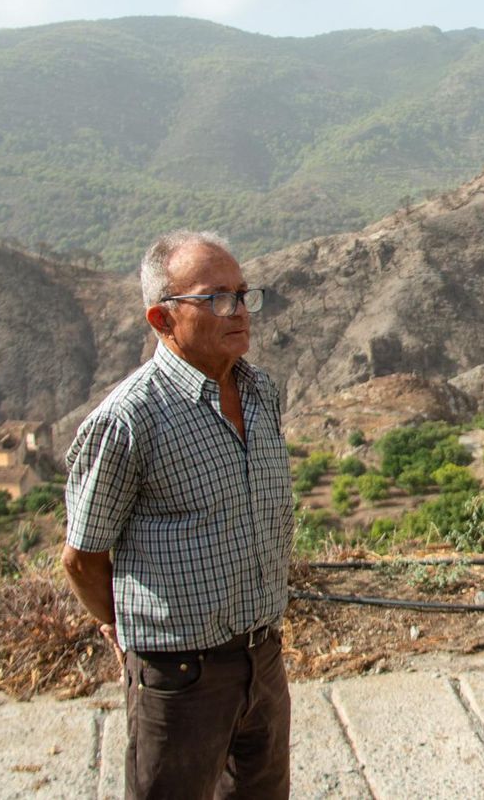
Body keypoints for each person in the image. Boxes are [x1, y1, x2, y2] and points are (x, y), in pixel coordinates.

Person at [62, 230, 295, 799]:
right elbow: (82, 557)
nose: (240, 311)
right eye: (217, 298)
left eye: (243, 294)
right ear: (162, 320)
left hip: (262, 659)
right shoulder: (129, 420)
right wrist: (125, 630)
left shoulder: (261, 392)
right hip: (180, 678)